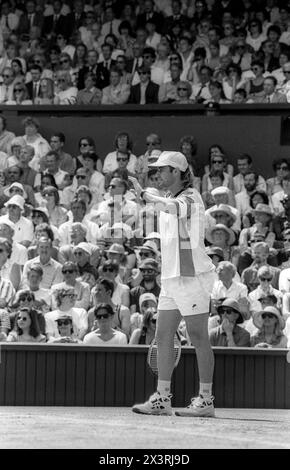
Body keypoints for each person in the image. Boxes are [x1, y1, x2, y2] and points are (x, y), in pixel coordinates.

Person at [129, 151, 217, 417]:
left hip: (192, 278)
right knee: (162, 335)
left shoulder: (191, 197)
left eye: (163, 170)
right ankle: (162, 398)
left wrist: (145, 195)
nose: (159, 175)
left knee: (199, 337)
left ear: (177, 172)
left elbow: (173, 209)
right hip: (170, 279)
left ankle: (205, 401)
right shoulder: (166, 199)